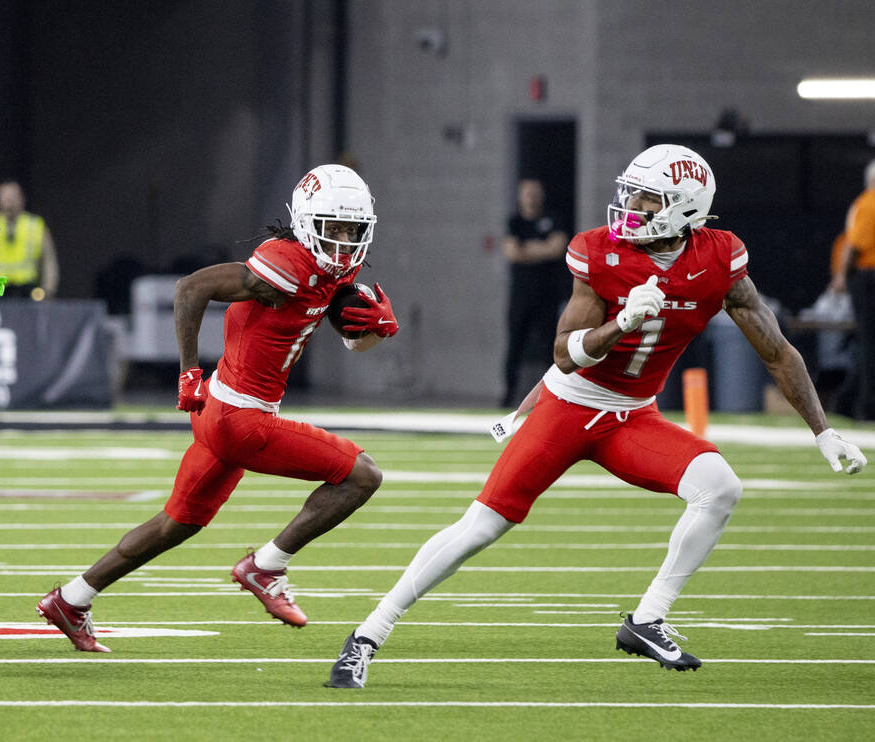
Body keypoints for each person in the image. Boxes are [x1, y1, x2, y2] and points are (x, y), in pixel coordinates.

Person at [326, 145, 868, 688]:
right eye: (629, 193)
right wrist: (622, 323)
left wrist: (822, 431)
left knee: (720, 488)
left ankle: (647, 620)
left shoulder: (720, 258)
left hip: (632, 417)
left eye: (646, 199)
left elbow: (776, 350)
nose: (629, 207)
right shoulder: (600, 252)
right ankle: (368, 635)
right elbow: (565, 353)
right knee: (483, 525)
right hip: (568, 404)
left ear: (684, 209)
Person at [36, 164, 399, 651]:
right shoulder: (287, 266)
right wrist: (187, 369)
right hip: (240, 419)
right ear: (309, 222)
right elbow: (191, 287)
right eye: (333, 228)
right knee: (363, 475)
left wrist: (377, 329)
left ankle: (72, 598)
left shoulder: (333, 269)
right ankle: (266, 566)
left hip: (222, 414)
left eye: (352, 230)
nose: (343, 241)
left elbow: (351, 341)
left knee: (176, 523)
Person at [500, 178, 568, 407]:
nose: (531, 197)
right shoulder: (515, 222)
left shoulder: (553, 219)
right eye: (527, 193)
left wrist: (527, 248)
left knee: (551, 346)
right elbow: (512, 252)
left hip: (548, 296)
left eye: (534, 193)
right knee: (514, 346)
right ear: (520, 196)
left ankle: (553, 396)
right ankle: (508, 395)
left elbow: (557, 247)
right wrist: (542, 248)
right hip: (521, 297)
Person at [829, 158, 875, 420]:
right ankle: (863, 406)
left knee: (868, 344)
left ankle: (850, 402)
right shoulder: (869, 203)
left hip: (867, 278)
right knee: (868, 344)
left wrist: (841, 277)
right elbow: (854, 244)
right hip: (869, 278)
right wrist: (842, 277)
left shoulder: (865, 204)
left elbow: (852, 244)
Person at [0, 180, 57, 301]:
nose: (10, 202)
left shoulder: (36, 225)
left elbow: (48, 260)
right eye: (5, 197)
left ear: (22, 198)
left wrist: (48, 289)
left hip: (28, 290)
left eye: (13, 197)